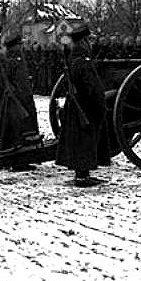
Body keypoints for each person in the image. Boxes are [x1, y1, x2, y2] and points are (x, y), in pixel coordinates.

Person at [55, 24, 110, 187]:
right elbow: (90, 87)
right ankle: (82, 176)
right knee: (85, 141)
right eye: (89, 40)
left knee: (82, 141)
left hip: (78, 104)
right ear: (84, 41)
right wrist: (99, 103)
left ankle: (82, 174)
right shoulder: (83, 60)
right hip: (85, 106)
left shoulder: (75, 58)